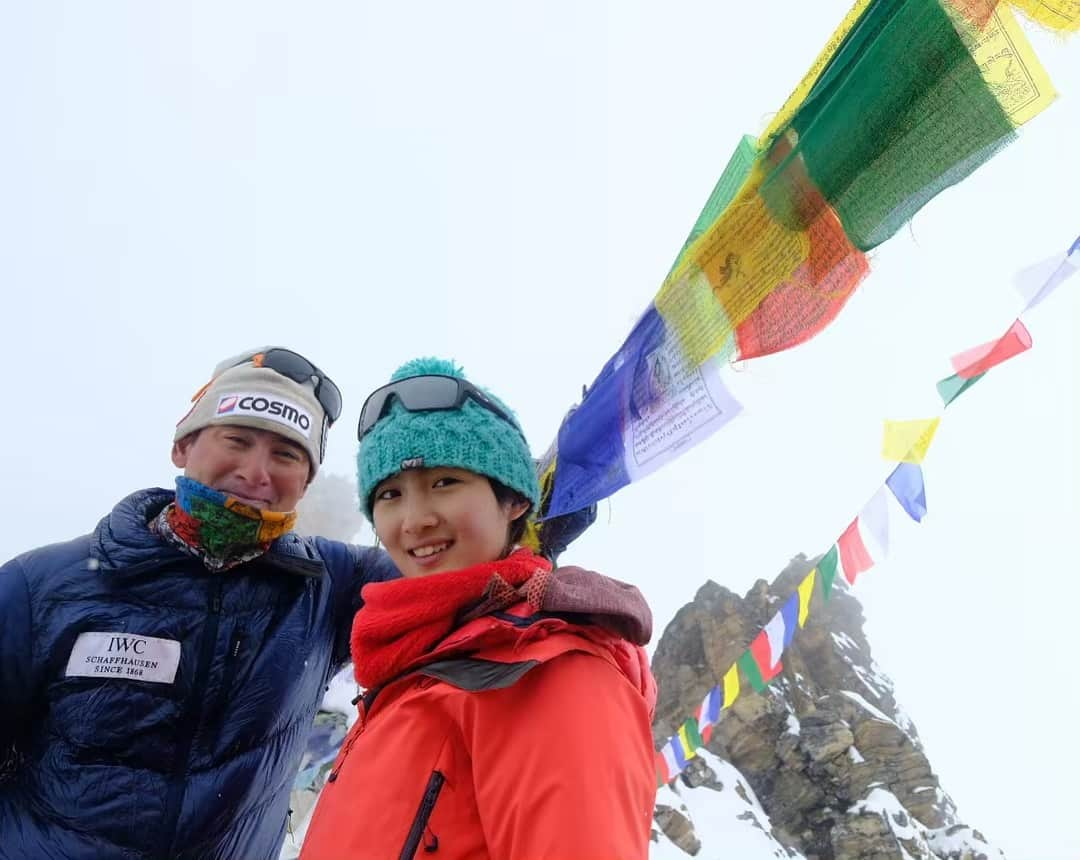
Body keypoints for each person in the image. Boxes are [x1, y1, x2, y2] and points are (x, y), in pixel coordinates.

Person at [0, 348, 398, 860]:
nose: (256, 472)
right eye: (237, 439)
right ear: (183, 446)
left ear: (306, 481)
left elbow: (455, 572)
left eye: (286, 455)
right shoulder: (42, 585)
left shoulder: (331, 585)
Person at [300, 357, 657, 860]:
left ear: (513, 502)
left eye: (445, 482)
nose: (415, 519)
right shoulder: (413, 670)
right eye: (390, 494)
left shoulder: (550, 675)